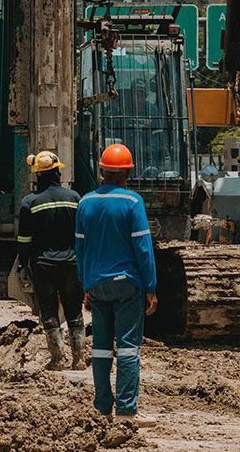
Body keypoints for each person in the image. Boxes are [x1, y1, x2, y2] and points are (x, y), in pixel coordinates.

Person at [75, 143, 158, 428]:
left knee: (99, 348)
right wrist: (151, 287)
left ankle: (101, 408)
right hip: (127, 285)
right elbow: (143, 249)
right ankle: (126, 409)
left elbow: (81, 249)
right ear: (126, 174)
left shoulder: (85, 203)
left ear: (102, 171)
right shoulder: (132, 203)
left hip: (96, 285)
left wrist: (85, 285)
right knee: (127, 348)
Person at [16, 151, 85, 371]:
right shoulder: (75, 198)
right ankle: (79, 359)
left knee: (48, 311)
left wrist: (22, 265)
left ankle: (57, 359)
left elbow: (24, 239)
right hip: (72, 264)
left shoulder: (30, 202)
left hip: (43, 265)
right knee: (74, 309)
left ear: (38, 176)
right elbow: (82, 235)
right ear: (57, 172)